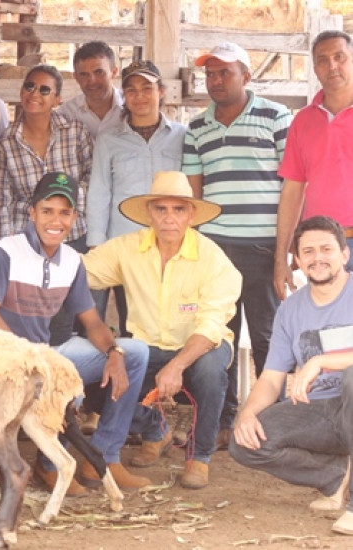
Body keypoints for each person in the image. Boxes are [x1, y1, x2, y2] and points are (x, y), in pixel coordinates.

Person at [0, 171, 151, 493]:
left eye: (65, 212)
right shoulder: (7, 250)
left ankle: (104, 458)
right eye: (47, 211)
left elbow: (92, 322)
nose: (56, 221)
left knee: (136, 353)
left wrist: (114, 353)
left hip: (48, 351)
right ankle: (50, 465)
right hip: (6, 357)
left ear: (74, 217)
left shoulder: (71, 259)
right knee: (70, 387)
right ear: (32, 213)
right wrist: (29, 356)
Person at [82, 171, 242, 489]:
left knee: (211, 373)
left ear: (191, 215)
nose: (170, 218)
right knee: (96, 379)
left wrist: (177, 365)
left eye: (179, 209)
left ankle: (200, 457)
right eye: (161, 209)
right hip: (147, 345)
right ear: (150, 214)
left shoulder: (214, 258)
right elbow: (80, 271)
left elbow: (212, 325)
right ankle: (156, 431)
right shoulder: (127, 248)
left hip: (199, 347)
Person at [182, 42, 292, 450]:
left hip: (263, 246)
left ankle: (270, 423)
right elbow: (194, 198)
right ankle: (222, 419)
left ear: (246, 77)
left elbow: (292, 186)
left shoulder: (276, 117)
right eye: (209, 74)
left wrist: (285, 249)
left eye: (224, 72)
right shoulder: (196, 128)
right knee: (219, 336)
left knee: (267, 337)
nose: (215, 80)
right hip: (216, 250)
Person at [230, 215, 353, 536]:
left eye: (326, 249)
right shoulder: (290, 309)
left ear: (345, 254)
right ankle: (335, 476)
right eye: (308, 251)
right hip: (320, 412)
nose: (318, 258)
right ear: (296, 260)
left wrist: (320, 361)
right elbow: (271, 377)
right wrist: (247, 414)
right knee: (245, 443)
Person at [0, 64, 92, 346]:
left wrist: (63, 209)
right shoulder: (6, 143)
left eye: (45, 90)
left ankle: (65, 382)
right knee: (29, 319)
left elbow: (93, 179)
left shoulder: (76, 132)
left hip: (72, 237)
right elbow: (0, 201)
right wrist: (7, 250)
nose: (35, 94)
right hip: (29, 242)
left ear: (57, 99)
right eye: (29, 86)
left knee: (65, 319)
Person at [87, 59, 185, 330]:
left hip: (170, 242)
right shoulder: (109, 140)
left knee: (167, 322)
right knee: (131, 322)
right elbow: (99, 191)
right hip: (125, 244)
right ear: (124, 96)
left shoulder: (182, 136)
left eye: (147, 88)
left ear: (161, 92)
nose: (139, 96)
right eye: (131, 90)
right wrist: (97, 245)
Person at [275, 30, 353, 299]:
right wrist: (281, 257)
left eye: (339, 57)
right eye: (323, 60)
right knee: (329, 333)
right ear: (315, 69)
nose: (332, 65)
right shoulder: (303, 121)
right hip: (320, 245)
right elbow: (292, 192)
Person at [58, 41, 123, 138]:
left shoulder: (131, 107)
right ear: (76, 77)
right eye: (84, 74)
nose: (92, 81)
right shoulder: (67, 114)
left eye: (99, 72)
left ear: (114, 72)